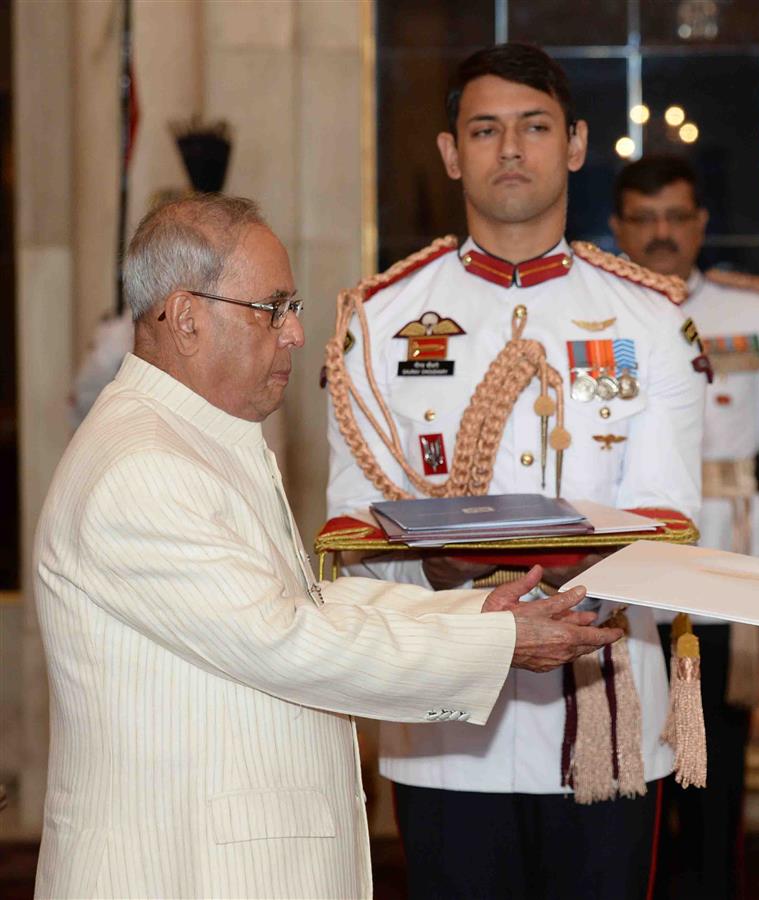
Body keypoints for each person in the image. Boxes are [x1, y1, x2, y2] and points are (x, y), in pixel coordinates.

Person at [32, 194, 622, 899]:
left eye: (294, 307)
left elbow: (304, 604)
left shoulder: (190, 438)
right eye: (272, 309)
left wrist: (478, 619)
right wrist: (498, 645)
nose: (296, 334)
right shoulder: (144, 467)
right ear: (187, 318)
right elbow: (286, 641)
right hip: (185, 869)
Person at [325, 45, 706, 899]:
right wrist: (436, 567)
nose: (509, 150)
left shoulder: (650, 319)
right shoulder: (380, 322)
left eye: (534, 128)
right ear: (451, 153)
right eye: (485, 130)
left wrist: (560, 610)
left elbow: (670, 518)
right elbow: (350, 526)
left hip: (606, 716)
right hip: (449, 731)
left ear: (574, 144)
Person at [610, 154, 759, 899]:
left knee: (715, 787)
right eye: (644, 218)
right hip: (626, 587)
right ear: (618, 227)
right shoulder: (598, 316)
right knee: (625, 781)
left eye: (676, 217)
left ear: (699, 225)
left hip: (725, 581)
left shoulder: (752, 316)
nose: (661, 233)